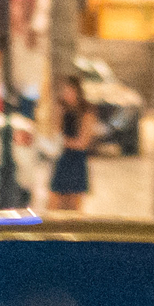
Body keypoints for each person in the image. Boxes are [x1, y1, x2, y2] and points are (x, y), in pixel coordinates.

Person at [45, 74, 94, 211]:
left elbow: (83, 142)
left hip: (77, 160)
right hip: (63, 158)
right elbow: (55, 130)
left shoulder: (86, 112)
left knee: (74, 204)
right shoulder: (62, 108)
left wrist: (63, 141)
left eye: (69, 91)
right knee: (54, 201)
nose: (66, 94)